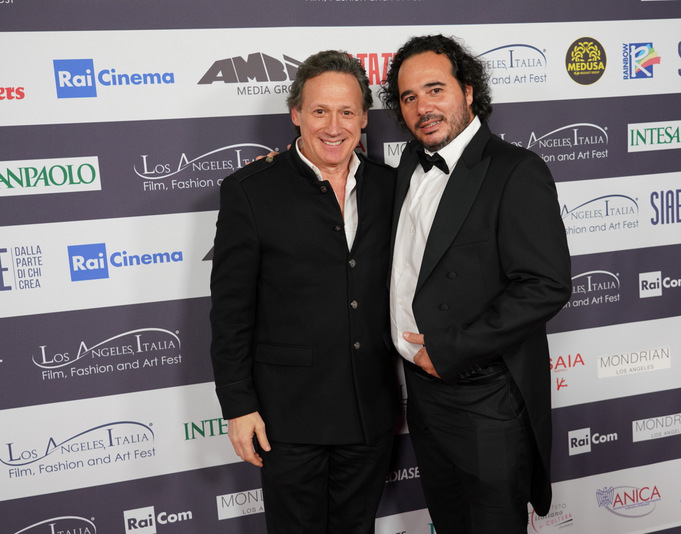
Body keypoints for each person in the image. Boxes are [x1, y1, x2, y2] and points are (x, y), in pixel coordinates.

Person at [379, 35, 572, 533]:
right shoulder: (408, 165)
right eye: (408, 97)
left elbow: (546, 285)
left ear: (467, 90)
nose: (422, 107)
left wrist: (451, 350)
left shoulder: (516, 171)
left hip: (487, 398)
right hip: (422, 394)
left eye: (435, 89)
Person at [210, 50, 398, 534]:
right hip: (287, 420)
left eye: (347, 112)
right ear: (296, 114)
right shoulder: (250, 191)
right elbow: (230, 312)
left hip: (370, 413)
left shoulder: (393, 188)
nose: (333, 127)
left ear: (364, 118)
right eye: (319, 111)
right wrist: (238, 406)